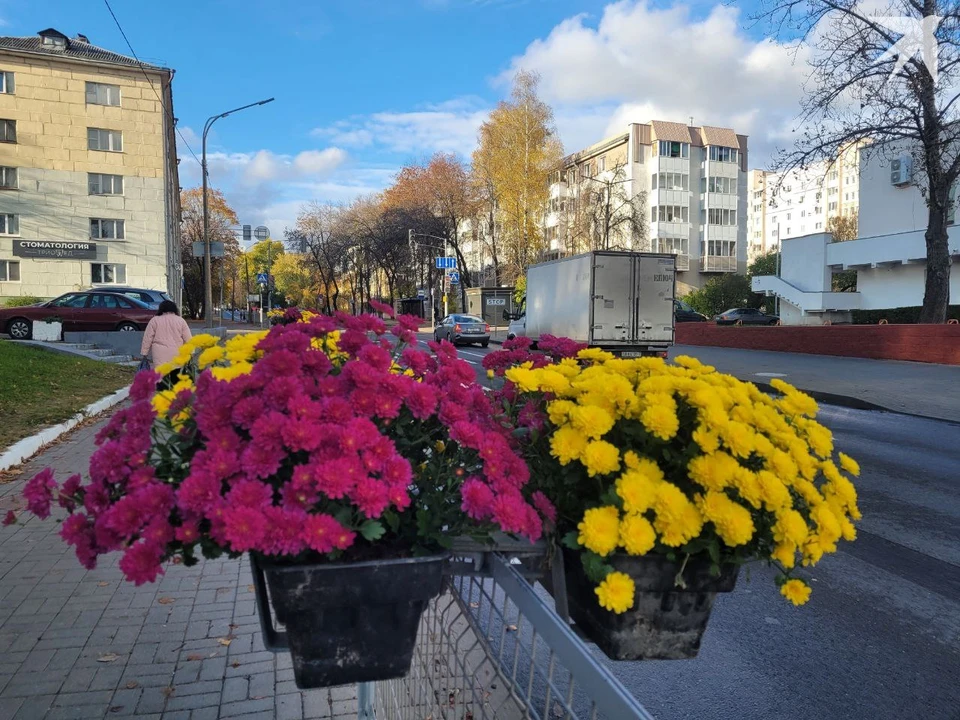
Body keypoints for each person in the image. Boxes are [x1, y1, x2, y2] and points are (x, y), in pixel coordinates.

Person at [140, 300, 192, 368]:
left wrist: (144, 353)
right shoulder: (181, 321)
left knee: (160, 375)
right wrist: (191, 352)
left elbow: (147, 338)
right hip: (177, 352)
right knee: (175, 374)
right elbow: (188, 338)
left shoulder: (154, 320)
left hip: (159, 353)